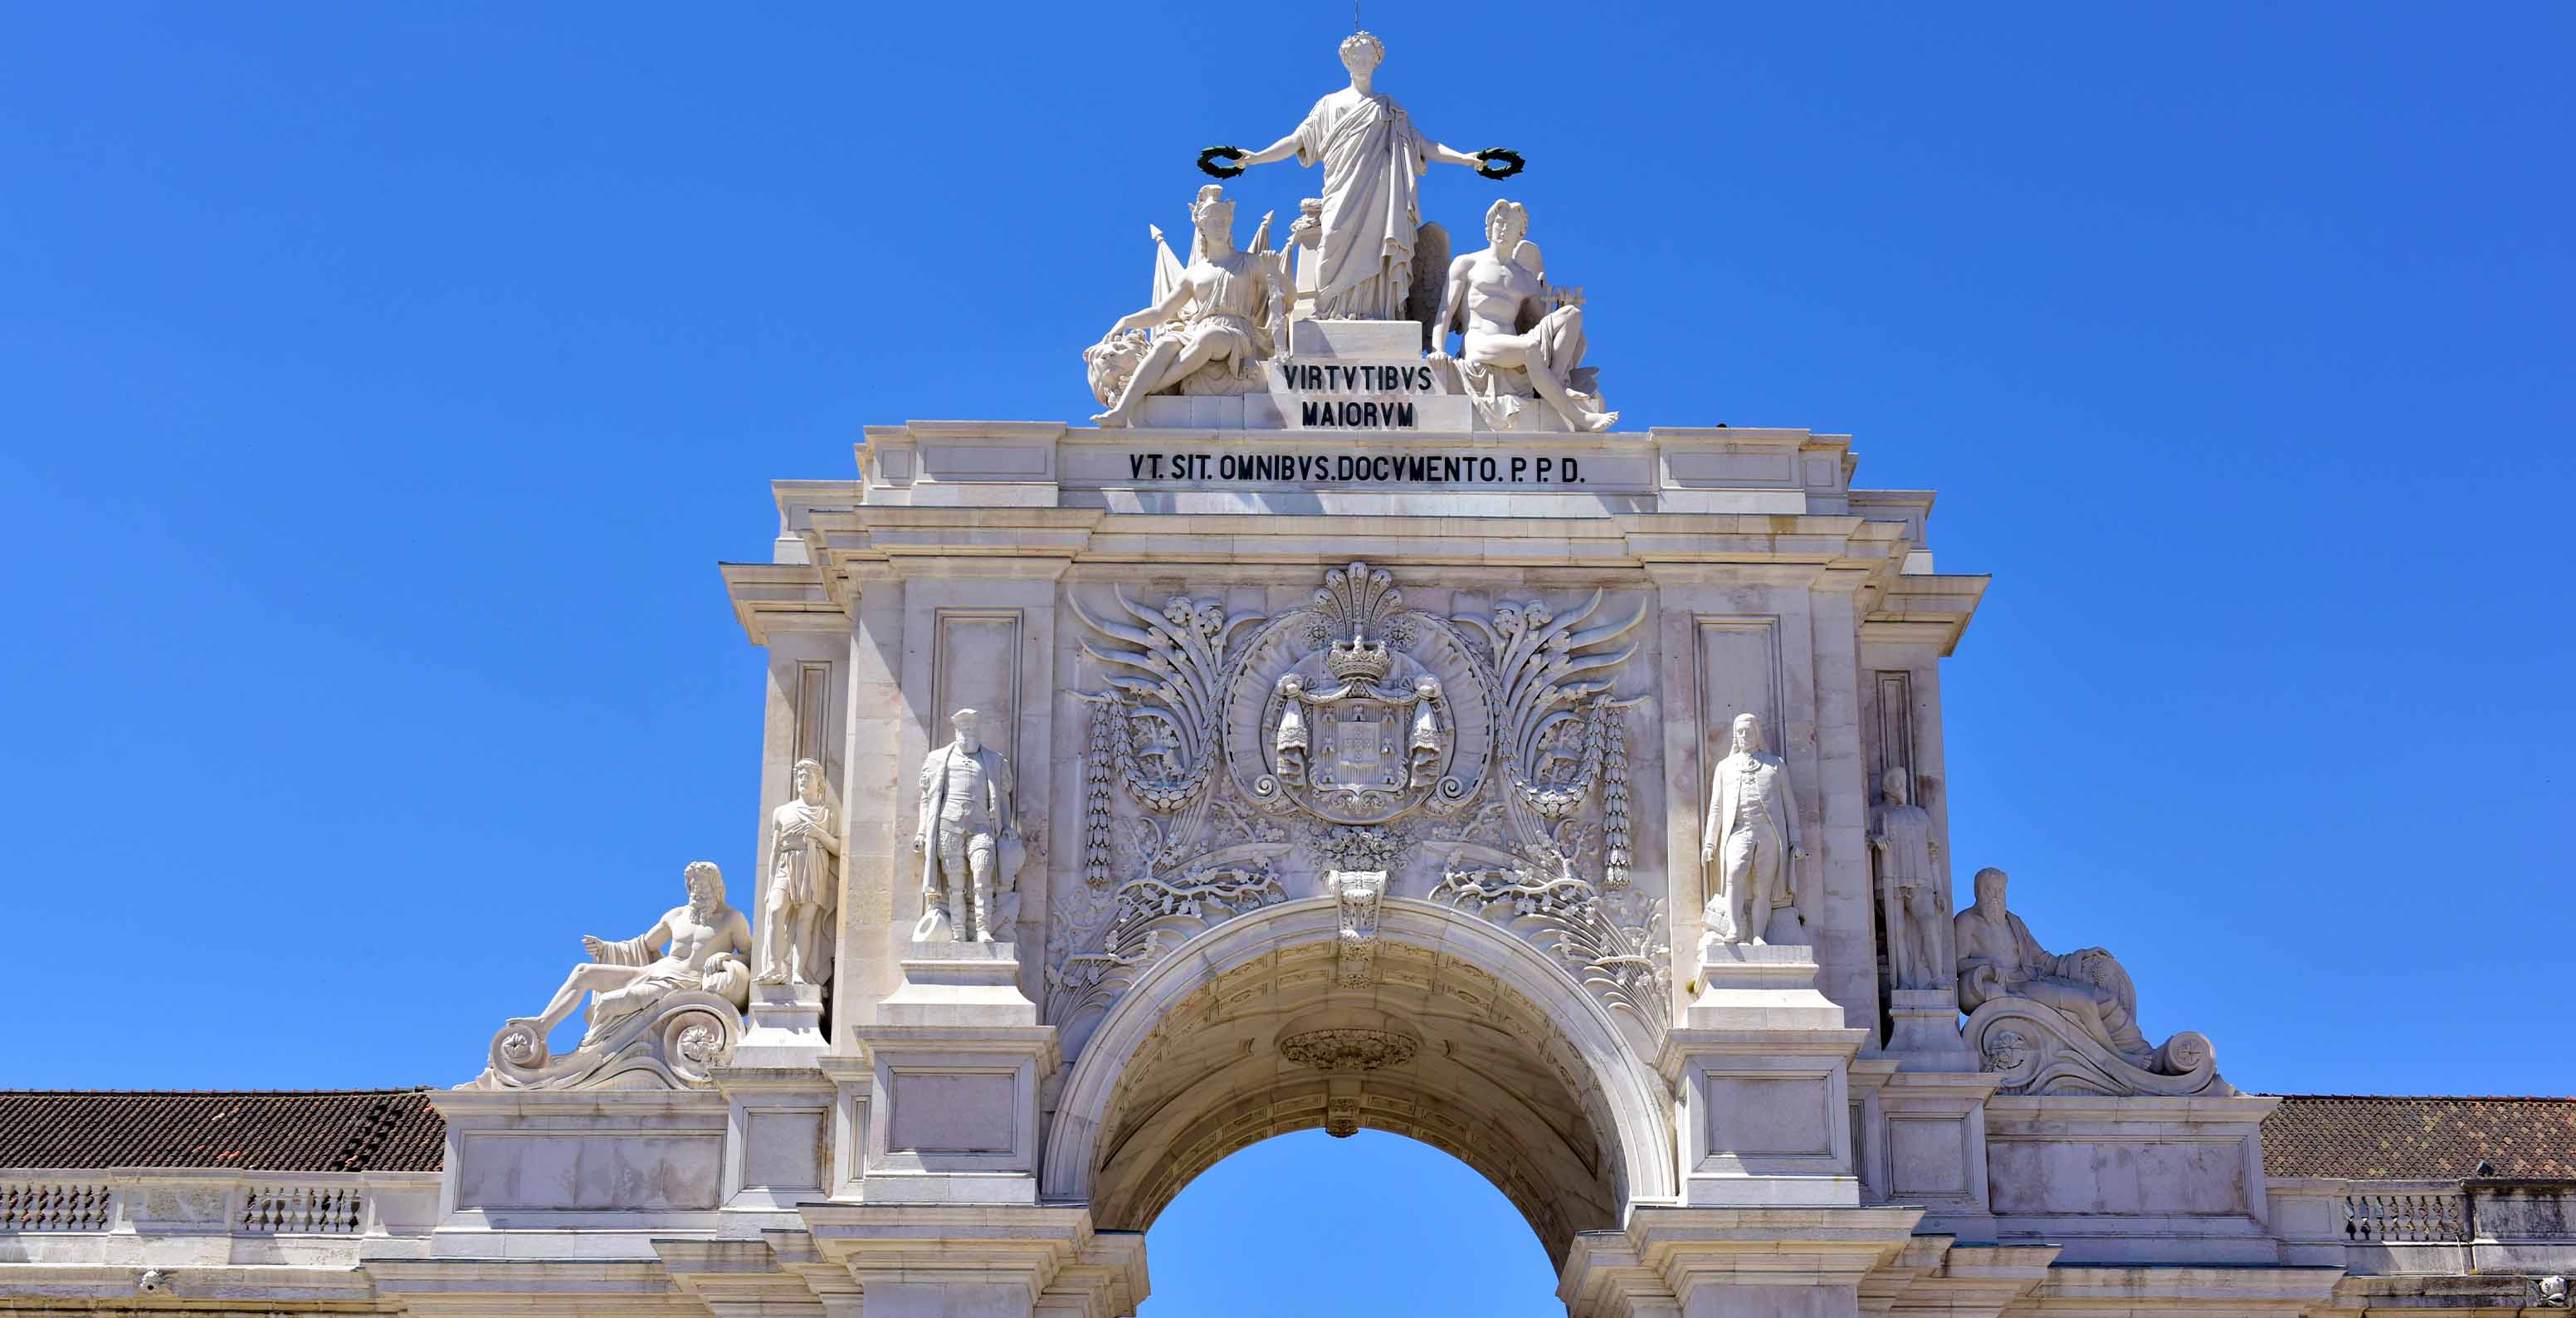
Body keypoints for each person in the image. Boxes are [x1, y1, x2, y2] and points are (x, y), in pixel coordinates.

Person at [1222, 32, 1492, 320]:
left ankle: (1378, 313)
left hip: (1380, 193)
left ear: (1377, 61)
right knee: (1333, 238)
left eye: (1368, 56)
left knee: (1378, 246)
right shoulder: (1329, 104)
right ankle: (1329, 310)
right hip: (1341, 190)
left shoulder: (1390, 109)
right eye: (1356, 56)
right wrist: (1256, 158)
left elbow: (1424, 145)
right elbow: (1296, 140)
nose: (1362, 62)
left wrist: (1465, 159)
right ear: (1346, 61)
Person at [1087, 185, 1287, 427]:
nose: (1219, 227)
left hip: (1235, 333)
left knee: (1211, 337)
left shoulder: (1251, 263)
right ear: (1201, 227)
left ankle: (1152, 387)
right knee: (1165, 343)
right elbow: (1161, 312)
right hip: (1198, 328)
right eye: (1213, 222)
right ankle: (1122, 411)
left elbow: (1290, 298)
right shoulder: (1192, 274)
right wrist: (1126, 321)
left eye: (1224, 221)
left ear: (1231, 223)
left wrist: (1275, 273)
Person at [511, 861, 751, 1048]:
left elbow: (751, 956)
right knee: (583, 972)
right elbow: (643, 945)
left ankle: (588, 1058)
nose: (697, 891)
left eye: (703, 885)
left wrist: (726, 958)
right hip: (654, 972)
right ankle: (543, 1025)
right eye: (693, 884)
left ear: (716, 887)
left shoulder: (731, 919)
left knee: (606, 1004)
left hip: (680, 984)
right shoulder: (676, 915)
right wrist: (606, 948)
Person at [1430, 200, 1617, 432]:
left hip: (1513, 343)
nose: (1504, 229)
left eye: (1511, 224)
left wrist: (1562, 304)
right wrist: (1438, 350)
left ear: (1521, 231)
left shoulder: (1526, 278)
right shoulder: (1467, 264)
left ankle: (1554, 383)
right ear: (1489, 226)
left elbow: (1541, 322)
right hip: (1479, 342)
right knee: (1529, 346)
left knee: (1572, 315)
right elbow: (1444, 314)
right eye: (1500, 222)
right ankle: (1580, 417)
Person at [1954, 866, 2156, 1067]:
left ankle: (2141, 1051)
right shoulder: (1967, 921)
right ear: (1979, 892)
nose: (1998, 897)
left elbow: (2043, 960)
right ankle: (2115, 1058)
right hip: (2012, 986)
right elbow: (1957, 963)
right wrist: (1985, 965)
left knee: (2100, 996)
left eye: (2001, 891)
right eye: (1992, 891)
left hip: (2032, 978)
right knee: (2084, 1003)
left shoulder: (2013, 922)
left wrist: (2081, 956)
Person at [1700, 712, 1806, 948]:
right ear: (1735, 736)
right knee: (1734, 874)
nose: (1744, 735)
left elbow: (1789, 805)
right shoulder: (1724, 767)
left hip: (1768, 833)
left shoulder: (1775, 765)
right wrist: (1710, 843)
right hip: (1739, 830)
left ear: (1757, 733)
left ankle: (1758, 934)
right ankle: (1735, 928)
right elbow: (1716, 808)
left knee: (1764, 885)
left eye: (1749, 731)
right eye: (1740, 732)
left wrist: (1796, 840)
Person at [913, 708, 1015, 942]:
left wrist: (1007, 826)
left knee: (982, 877)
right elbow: (927, 798)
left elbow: (1003, 796)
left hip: (982, 827)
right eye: (964, 729)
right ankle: (958, 933)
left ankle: (983, 929)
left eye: (972, 729)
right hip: (949, 826)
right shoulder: (938, 759)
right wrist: (921, 831)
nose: (968, 734)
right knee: (956, 885)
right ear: (957, 731)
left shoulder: (995, 760)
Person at [754, 759, 839, 986]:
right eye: (800, 776)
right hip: (786, 863)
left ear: (818, 781)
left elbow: (839, 849)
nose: (802, 780)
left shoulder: (827, 814)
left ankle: (798, 972)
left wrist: (818, 833)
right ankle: (773, 966)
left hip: (813, 863)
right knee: (775, 910)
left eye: (807, 776)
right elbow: (774, 851)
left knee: (806, 921)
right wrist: (771, 882)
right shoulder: (782, 812)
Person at [1869, 766, 1945, 989]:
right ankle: (1902, 980)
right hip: (1889, 878)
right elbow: (1861, 837)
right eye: (1895, 781)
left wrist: (1939, 889)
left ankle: (1937, 976)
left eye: (1903, 780)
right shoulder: (1875, 813)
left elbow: (1933, 854)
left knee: (1929, 923)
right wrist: (1874, 837)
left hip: (1921, 878)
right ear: (1885, 786)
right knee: (1896, 931)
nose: (1901, 785)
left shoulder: (1920, 815)